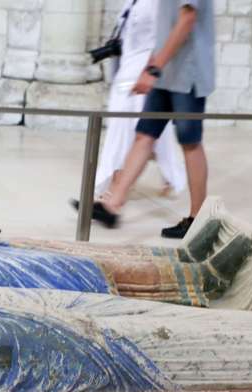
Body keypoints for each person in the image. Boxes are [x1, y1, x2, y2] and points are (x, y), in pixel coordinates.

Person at [82, 0, 215, 239]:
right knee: (145, 134)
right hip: (164, 71)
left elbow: (187, 20)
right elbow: (166, 27)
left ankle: (198, 220)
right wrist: (154, 66)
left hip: (186, 72)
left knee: (189, 140)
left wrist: (154, 68)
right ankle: (112, 205)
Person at [93, 0, 187, 199]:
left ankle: (113, 186)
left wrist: (153, 70)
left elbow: (166, 34)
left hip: (143, 71)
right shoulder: (131, 2)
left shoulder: (159, 4)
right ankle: (166, 174)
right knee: (138, 132)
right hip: (126, 70)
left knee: (135, 132)